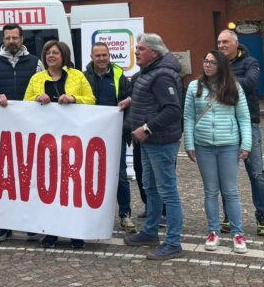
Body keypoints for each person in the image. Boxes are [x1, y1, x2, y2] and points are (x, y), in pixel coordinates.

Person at [24, 40, 95, 249]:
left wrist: (73, 98)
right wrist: (37, 98)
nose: (51, 56)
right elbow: (24, 103)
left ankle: (75, 232)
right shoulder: (37, 78)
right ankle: (51, 231)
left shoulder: (77, 76)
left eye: (55, 52)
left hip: (72, 139)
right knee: (50, 186)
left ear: (63, 55)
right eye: (47, 53)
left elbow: (91, 99)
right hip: (46, 141)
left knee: (72, 186)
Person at [123, 33, 185, 260]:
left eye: (141, 49)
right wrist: (132, 101)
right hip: (150, 143)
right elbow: (152, 100)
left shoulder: (162, 76)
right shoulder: (150, 72)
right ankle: (150, 232)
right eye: (136, 48)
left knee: (167, 191)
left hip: (161, 142)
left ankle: (173, 242)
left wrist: (147, 128)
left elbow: (172, 110)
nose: (136, 52)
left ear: (155, 53)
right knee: (150, 187)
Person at [184, 50, 252, 254]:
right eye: (205, 61)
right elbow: (188, 116)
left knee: (230, 191)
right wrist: (189, 143)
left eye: (212, 62)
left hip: (228, 145)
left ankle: (238, 233)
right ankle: (213, 231)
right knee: (210, 191)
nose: (207, 65)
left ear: (221, 66)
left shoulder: (234, 87)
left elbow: (244, 118)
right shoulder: (194, 87)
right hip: (204, 145)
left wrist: (246, 143)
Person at [0, 23, 43, 242]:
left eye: (15, 38)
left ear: (22, 39)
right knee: (5, 177)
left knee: (30, 176)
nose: (11, 41)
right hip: (3, 127)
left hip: (29, 127)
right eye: (7, 38)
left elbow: (41, 87)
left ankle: (31, 223)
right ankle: (4, 224)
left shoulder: (36, 62)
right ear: (3, 40)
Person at [217, 29, 264, 236]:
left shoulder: (250, 62)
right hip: (225, 124)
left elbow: (250, 83)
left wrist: (223, 82)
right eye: (219, 42)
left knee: (256, 174)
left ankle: (262, 216)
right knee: (226, 176)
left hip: (249, 124)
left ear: (236, 44)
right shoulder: (217, 64)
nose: (221, 46)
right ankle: (229, 215)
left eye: (225, 42)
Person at [83, 41, 136, 234]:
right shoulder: (83, 76)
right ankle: (92, 216)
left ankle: (125, 214)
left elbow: (132, 98)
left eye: (104, 55)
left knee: (119, 175)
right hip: (90, 135)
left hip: (115, 133)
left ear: (109, 56)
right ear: (91, 57)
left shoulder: (119, 75)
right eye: (98, 55)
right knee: (91, 176)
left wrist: (129, 102)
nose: (101, 59)